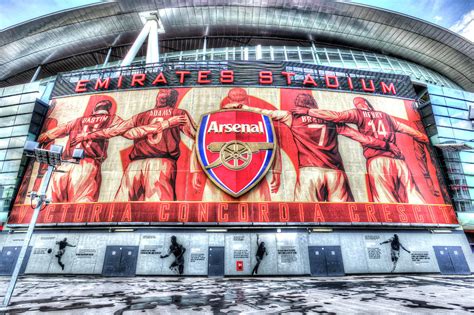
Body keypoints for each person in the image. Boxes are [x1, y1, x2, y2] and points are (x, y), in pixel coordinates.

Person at [228, 93, 400, 202]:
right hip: (336, 173)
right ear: (314, 106)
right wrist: (386, 145)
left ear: (299, 105)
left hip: (308, 172)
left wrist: (243, 107)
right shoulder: (331, 120)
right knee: (342, 215)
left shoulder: (291, 116)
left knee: (305, 215)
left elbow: (266, 113)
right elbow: (360, 137)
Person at [293, 97, 428, 203]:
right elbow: (408, 130)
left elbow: (337, 116)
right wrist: (424, 138)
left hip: (377, 160)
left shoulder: (358, 113)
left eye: (358, 103)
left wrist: (308, 111)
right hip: (398, 159)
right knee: (413, 193)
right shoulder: (387, 116)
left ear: (364, 105)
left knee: (384, 197)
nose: (357, 105)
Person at [74, 89, 196, 201]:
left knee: (120, 208)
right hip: (161, 163)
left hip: (135, 165)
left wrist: (87, 135)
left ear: (157, 98)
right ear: (173, 101)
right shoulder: (178, 114)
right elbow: (197, 135)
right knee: (156, 210)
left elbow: (113, 131)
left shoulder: (140, 116)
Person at [193, 87, 282, 201]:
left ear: (247, 101)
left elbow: (272, 143)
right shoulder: (215, 118)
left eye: (242, 100)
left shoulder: (258, 118)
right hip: (218, 177)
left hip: (255, 176)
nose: (238, 103)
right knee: (213, 212)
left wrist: (276, 171)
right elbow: (199, 143)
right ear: (229, 101)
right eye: (236, 100)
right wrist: (196, 171)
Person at [38, 96, 123, 202]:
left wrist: (36, 139)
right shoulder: (112, 118)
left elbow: (50, 134)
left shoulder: (77, 121)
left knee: (50, 203)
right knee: (81, 203)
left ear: (94, 110)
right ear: (108, 109)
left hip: (63, 165)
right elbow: (123, 128)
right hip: (86, 164)